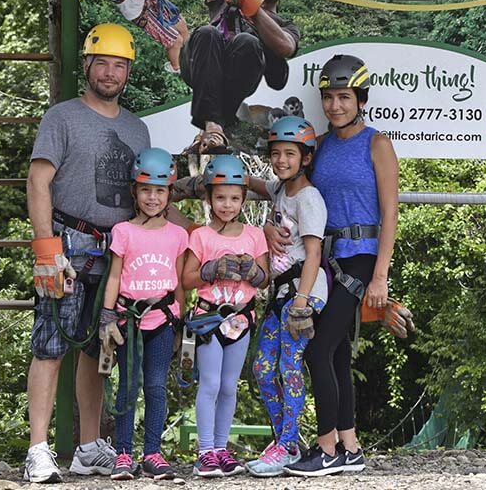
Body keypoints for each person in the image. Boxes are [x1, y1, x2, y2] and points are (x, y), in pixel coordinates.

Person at [24, 22, 150, 483]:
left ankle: (88, 447)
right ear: (88, 66)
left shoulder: (138, 130)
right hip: (68, 241)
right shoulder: (62, 117)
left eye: (120, 65)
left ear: (128, 71)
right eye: (103, 63)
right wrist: (45, 249)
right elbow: (39, 181)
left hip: (115, 249)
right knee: (51, 343)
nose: (111, 72)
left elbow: (148, 196)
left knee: (101, 349)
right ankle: (38, 448)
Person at [272, 55, 399, 477]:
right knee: (339, 354)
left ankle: (324, 448)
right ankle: (349, 445)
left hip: (360, 259)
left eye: (343, 97)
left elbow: (390, 212)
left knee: (318, 350)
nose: (335, 106)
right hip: (326, 260)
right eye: (328, 97)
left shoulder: (376, 144)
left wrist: (380, 275)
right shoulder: (321, 146)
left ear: (360, 98)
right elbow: (291, 187)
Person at [245, 116, 328, 477]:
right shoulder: (281, 190)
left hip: (304, 293)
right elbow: (253, 183)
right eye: (276, 153)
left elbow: (313, 255)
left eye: (289, 154)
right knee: (262, 369)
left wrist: (301, 303)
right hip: (282, 292)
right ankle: (286, 442)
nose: (281, 160)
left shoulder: (308, 198)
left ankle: (288, 443)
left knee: (288, 365)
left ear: (306, 158)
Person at [99, 147, 188, 481]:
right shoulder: (123, 231)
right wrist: (107, 316)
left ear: (169, 193)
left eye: (160, 190)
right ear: (135, 191)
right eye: (146, 190)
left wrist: (180, 321)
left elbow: (179, 281)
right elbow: (114, 276)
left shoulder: (178, 235)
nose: (153, 197)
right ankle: (124, 453)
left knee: (155, 387)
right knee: (127, 388)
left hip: (162, 322)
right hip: (128, 323)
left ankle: (152, 452)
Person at [181, 155, 269, 477]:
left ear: (244, 199)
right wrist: (209, 270)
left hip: (241, 320)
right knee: (211, 384)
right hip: (208, 320)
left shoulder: (254, 235)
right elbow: (187, 279)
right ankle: (205, 451)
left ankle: (221, 448)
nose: (227, 205)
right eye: (220, 197)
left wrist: (253, 271)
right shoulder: (201, 236)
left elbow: (266, 277)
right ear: (209, 198)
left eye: (234, 198)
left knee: (230, 385)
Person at [180, 0, 300, 153]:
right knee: (207, 32)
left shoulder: (285, 25)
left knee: (248, 41)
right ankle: (213, 124)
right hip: (202, 62)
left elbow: (285, 46)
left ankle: (214, 125)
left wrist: (251, 7)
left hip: (237, 78)